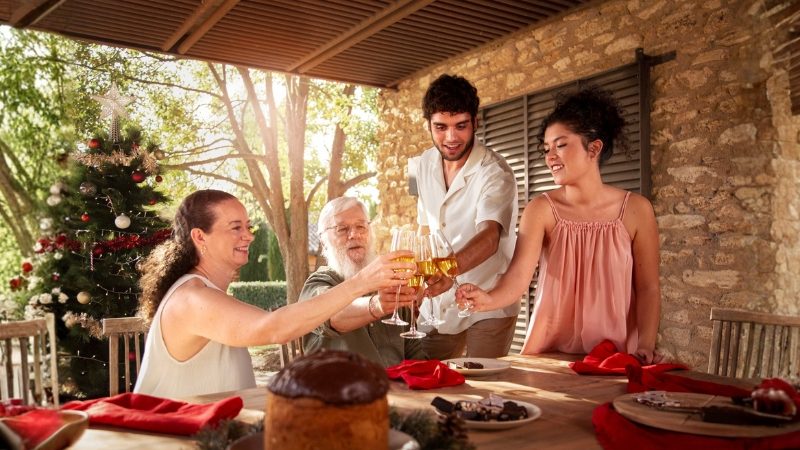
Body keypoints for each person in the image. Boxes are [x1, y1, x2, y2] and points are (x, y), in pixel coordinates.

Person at [133, 190, 414, 397]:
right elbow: (274, 328)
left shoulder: (208, 292)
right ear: (199, 237)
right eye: (236, 228)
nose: (249, 236)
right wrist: (363, 282)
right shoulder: (191, 297)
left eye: (248, 226)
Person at [457, 87, 662, 364]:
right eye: (546, 148)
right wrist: (487, 299)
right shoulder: (541, 210)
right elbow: (518, 278)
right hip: (549, 355)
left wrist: (646, 345)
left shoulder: (637, 210)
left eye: (561, 145)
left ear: (594, 147)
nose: (550, 156)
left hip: (616, 357)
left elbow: (648, 287)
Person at [412, 74, 519, 360]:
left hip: (488, 300)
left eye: (461, 125)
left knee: (484, 392)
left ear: (475, 122)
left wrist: (447, 270)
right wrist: (419, 282)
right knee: (426, 380)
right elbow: (424, 228)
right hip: (437, 304)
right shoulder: (421, 165)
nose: (451, 137)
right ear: (429, 126)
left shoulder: (495, 172)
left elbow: (490, 237)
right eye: (440, 127)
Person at [300, 197, 426, 367]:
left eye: (361, 226)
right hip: (339, 391)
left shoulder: (391, 284)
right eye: (342, 229)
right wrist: (377, 305)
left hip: (397, 391)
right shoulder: (318, 283)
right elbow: (330, 315)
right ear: (323, 240)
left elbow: (415, 354)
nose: (354, 235)